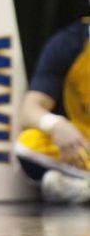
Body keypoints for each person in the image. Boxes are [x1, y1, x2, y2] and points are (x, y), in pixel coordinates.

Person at [16, 11, 89, 205]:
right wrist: (56, 124)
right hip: (86, 143)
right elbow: (30, 109)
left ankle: (80, 188)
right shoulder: (69, 42)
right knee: (28, 143)